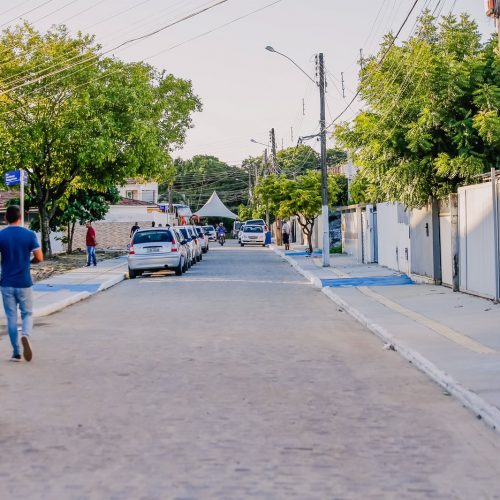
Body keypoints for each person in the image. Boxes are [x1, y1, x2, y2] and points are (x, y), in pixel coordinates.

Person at [0, 205, 43, 362]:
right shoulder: (29, 234)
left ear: (6, 218)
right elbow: (39, 257)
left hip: (6, 282)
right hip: (24, 282)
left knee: (11, 317)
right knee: (27, 314)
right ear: (20, 218)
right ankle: (25, 335)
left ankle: (16, 353)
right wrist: (29, 261)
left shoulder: (1, 235)